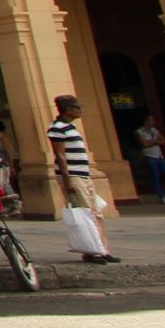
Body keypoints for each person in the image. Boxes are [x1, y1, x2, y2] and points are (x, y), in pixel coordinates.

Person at [48, 96, 116, 262]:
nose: (80, 110)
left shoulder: (71, 128)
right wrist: (67, 180)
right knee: (84, 213)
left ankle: (102, 249)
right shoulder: (57, 128)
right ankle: (91, 251)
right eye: (77, 108)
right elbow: (60, 155)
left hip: (83, 174)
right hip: (73, 175)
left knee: (95, 212)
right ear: (68, 109)